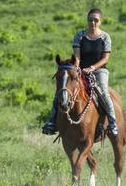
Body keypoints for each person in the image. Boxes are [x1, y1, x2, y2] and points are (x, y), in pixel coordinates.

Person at [42, 8, 118, 136]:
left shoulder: (105, 37)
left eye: (96, 20)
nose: (92, 23)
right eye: (90, 20)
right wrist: (76, 68)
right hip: (81, 69)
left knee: (103, 92)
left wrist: (93, 68)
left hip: (100, 71)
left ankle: (112, 122)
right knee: (62, 91)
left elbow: (105, 58)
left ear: (100, 21)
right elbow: (77, 56)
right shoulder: (80, 35)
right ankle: (51, 122)